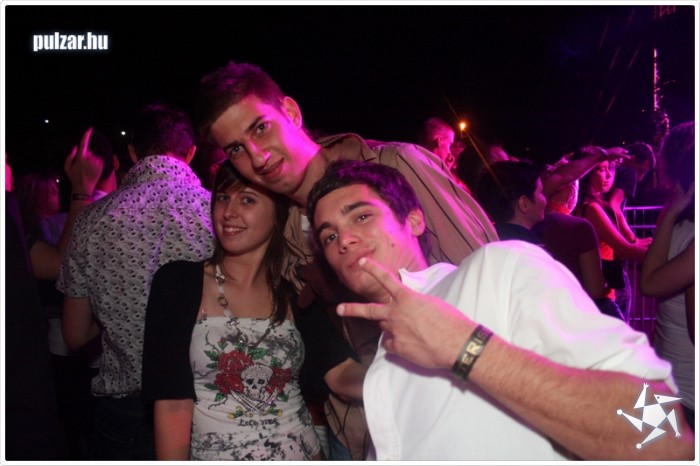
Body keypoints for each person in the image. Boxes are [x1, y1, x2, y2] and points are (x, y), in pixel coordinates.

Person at [195, 60, 497, 459]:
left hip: (459, 412)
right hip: (356, 432)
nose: (258, 156)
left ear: (291, 112)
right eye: (236, 148)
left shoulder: (396, 165)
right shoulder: (281, 234)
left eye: (260, 128)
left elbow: (493, 279)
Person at [307, 159, 693, 461]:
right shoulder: (383, 363)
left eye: (361, 216)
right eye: (329, 235)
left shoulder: (497, 271)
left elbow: (663, 434)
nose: (344, 240)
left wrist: (468, 349)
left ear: (414, 220)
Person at [56, 104, 216, 460]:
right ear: (190, 153)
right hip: (206, 405)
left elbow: (74, 334)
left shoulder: (91, 220)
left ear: (132, 152)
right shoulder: (217, 213)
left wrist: (118, 308)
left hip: (127, 412)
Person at [142, 161, 327, 460]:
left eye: (247, 200)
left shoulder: (295, 290)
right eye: (223, 197)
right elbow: (172, 402)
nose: (228, 212)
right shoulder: (178, 283)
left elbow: (325, 386)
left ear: (278, 213)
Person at [640, 121, 695, 431]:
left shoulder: (674, 219)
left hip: (664, 381)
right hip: (687, 398)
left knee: (641, 450)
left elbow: (649, 280)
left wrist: (672, 211)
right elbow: (649, 283)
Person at [572, 156, 651, 316]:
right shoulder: (591, 209)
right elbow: (625, 249)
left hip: (602, 291)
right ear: (588, 175)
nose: (609, 175)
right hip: (600, 295)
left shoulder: (593, 206)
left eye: (609, 168)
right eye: (602, 169)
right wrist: (667, 253)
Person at [606, 141, 656, 317]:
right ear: (631, 159)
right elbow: (614, 206)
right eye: (641, 170)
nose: (640, 177)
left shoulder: (608, 173)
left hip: (600, 243)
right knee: (623, 297)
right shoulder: (629, 173)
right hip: (612, 245)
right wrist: (633, 240)